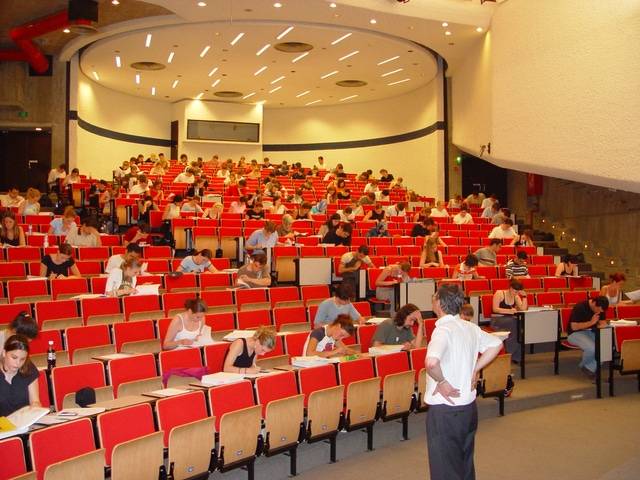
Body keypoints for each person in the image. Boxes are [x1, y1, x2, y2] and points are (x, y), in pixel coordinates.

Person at [425, 284, 502, 480]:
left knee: (445, 468)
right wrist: (475, 368)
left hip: (445, 410)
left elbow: (431, 362)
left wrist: (441, 381)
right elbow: (496, 344)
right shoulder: (471, 327)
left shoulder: (443, 330)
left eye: (434, 297)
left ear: (440, 303)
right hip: (468, 407)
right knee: (464, 461)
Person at [567, 296, 610, 379]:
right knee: (592, 348)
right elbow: (574, 327)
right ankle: (586, 366)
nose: (599, 312)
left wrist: (604, 325)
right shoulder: (580, 307)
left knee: (606, 346)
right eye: (598, 310)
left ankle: (588, 367)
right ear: (594, 303)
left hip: (591, 331)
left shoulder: (600, 308)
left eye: (601, 311)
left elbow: (602, 323)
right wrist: (591, 322)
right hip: (576, 333)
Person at [0, 335, 42, 417]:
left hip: (24, 422)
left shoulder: (29, 368)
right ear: (4, 353)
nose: (18, 363)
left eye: (22, 359)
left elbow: (35, 401)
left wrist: (35, 409)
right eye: (14, 357)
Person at [491, 279, 528, 361]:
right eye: (515, 290)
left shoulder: (516, 296)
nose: (516, 293)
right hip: (497, 319)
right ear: (510, 288)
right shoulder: (499, 293)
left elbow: (523, 309)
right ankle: (510, 352)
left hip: (509, 320)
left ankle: (516, 355)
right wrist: (509, 311)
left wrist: (525, 297)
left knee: (519, 323)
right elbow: (495, 309)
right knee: (515, 322)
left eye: (518, 291)